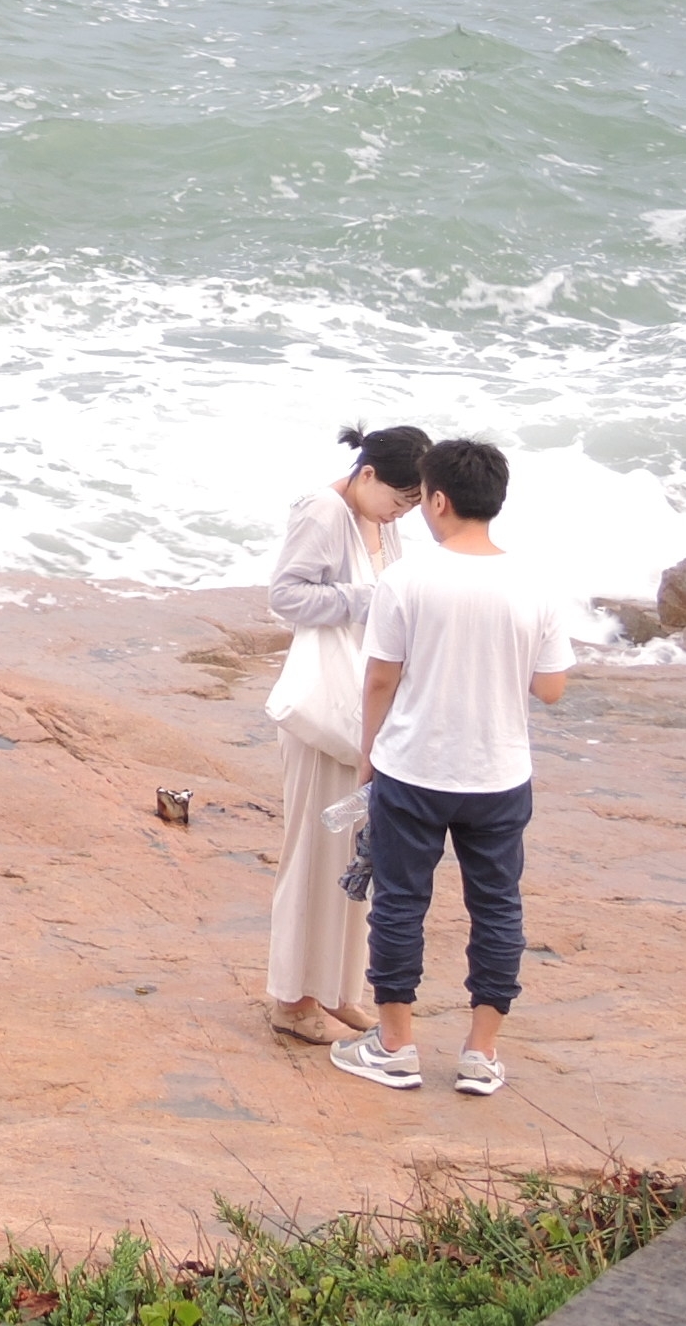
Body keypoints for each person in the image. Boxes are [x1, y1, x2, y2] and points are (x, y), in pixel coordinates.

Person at [331, 436, 576, 1098]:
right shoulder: (535, 584)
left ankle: (395, 1046)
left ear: (438, 500)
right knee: (496, 909)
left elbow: (381, 679)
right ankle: (481, 1053)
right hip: (498, 773)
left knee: (401, 903)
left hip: (413, 766)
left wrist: (366, 762)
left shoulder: (407, 579)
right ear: (494, 500)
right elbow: (551, 688)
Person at [262, 420, 427, 1043]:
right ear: (367, 475)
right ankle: (293, 999)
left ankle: (337, 990)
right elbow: (287, 595)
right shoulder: (323, 511)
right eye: (398, 499)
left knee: (356, 852)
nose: (401, 515)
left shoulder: (376, 520)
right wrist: (368, 599)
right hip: (322, 712)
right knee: (313, 850)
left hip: (360, 708)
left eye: (413, 506)